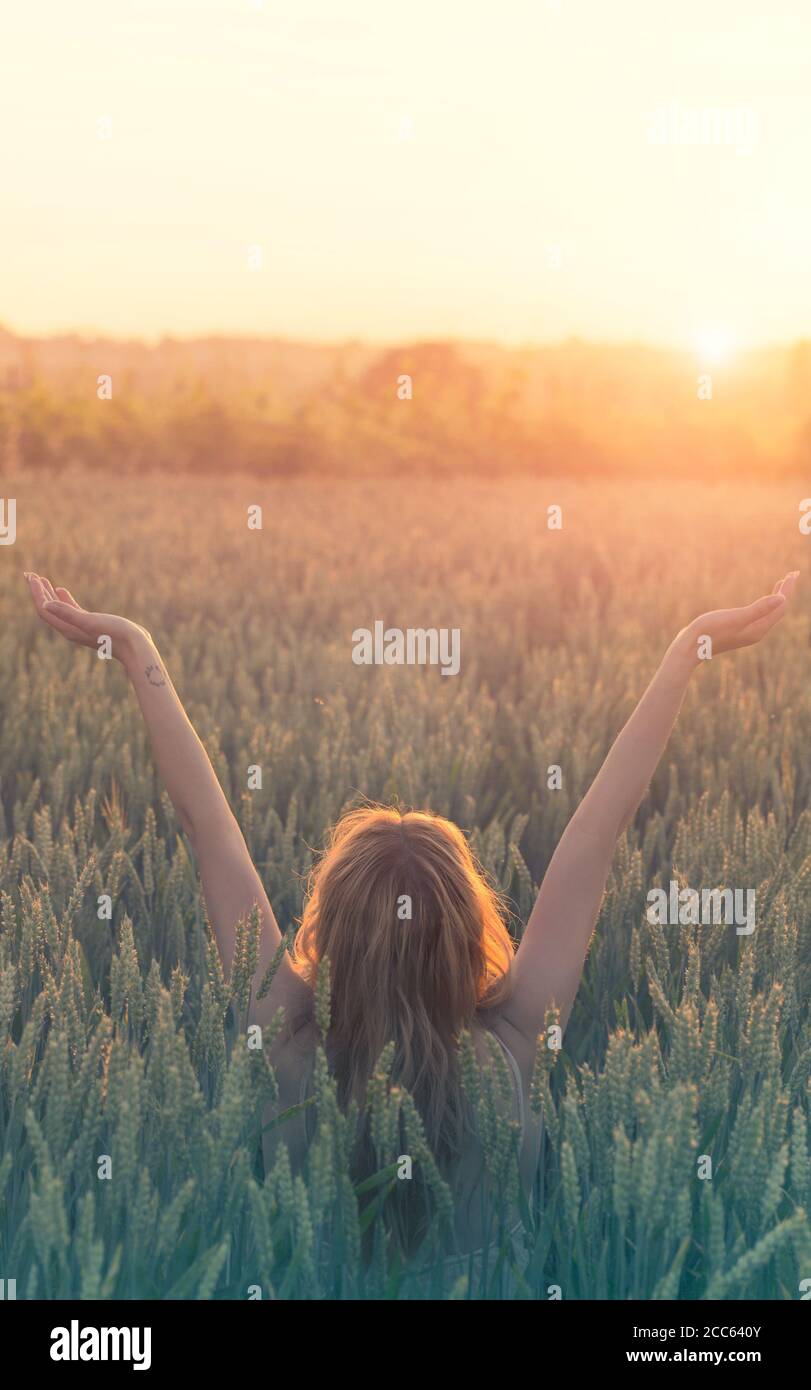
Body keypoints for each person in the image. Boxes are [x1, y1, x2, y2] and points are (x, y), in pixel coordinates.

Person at [24, 569, 798, 1261]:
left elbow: (208, 828)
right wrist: (685, 647)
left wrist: (138, 650)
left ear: (330, 928)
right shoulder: (511, 1046)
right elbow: (599, 832)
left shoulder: (286, 1044)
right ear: (467, 931)